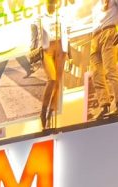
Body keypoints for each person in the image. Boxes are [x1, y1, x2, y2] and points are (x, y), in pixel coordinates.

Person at [90, 0, 118, 119]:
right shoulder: (96, 4)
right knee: (96, 74)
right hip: (95, 37)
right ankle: (104, 106)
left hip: (109, 31)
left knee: (110, 69)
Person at [36, 0, 69, 129]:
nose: (51, 5)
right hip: (47, 48)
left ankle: (51, 113)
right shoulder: (40, 17)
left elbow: (66, 34)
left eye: (53, 3)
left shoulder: (61, 15)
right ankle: (43, 111)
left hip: (60, 47)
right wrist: (34, 49)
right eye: (49, 3)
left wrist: (70, 54)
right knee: (52, 79)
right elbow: (36, 35)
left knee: (58, 83)